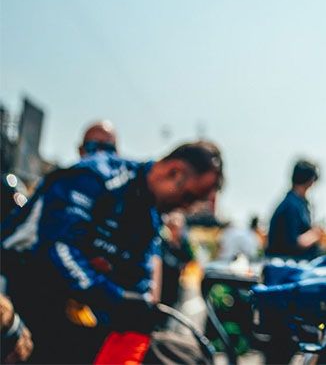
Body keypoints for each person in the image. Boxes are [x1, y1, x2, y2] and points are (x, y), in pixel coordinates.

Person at [0, 141, 223, 363]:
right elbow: (59, 250)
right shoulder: (96, 177)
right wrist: (115, 294)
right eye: (189, 197)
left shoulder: (149, 217)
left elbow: (139, 284)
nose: (188, 208)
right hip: (15, 301)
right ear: (175, 172)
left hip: (69, 322)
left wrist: (135, 302)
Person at [266, 160, 324, 259]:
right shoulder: (292, 206)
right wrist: (315, 234)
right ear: (311, 181)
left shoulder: (293, 203)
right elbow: (293, 243)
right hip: (287, 265)